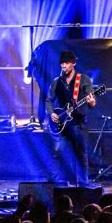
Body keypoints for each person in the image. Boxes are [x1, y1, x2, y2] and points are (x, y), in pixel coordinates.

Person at [45, 50, 97, 186]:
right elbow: (48, 100)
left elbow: (92, 102)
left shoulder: (83, 79)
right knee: (58, 153)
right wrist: (52, 113)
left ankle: (83, 184)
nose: (63, 65)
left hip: (79, 123)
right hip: (64, 125)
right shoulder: (57, 81)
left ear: (73, 63)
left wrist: (91, 101)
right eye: (61, 63)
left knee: (81, 154)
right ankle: (52, 184)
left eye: (66, 63)